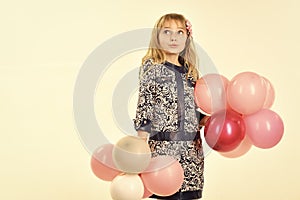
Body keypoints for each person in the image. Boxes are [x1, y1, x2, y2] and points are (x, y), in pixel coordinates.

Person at [133, 13, 208, 200]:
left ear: (187, 38)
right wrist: (141, 146)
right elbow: (145, 105)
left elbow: (189, 110)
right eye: (167, 32)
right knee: (166, 193)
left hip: (191, 153)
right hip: (163, 150)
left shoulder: (190, 72)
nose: (173, 37)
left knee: (188, 195)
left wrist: (206, 119)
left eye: (179, 32)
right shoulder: (153, 68)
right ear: (157, 37)